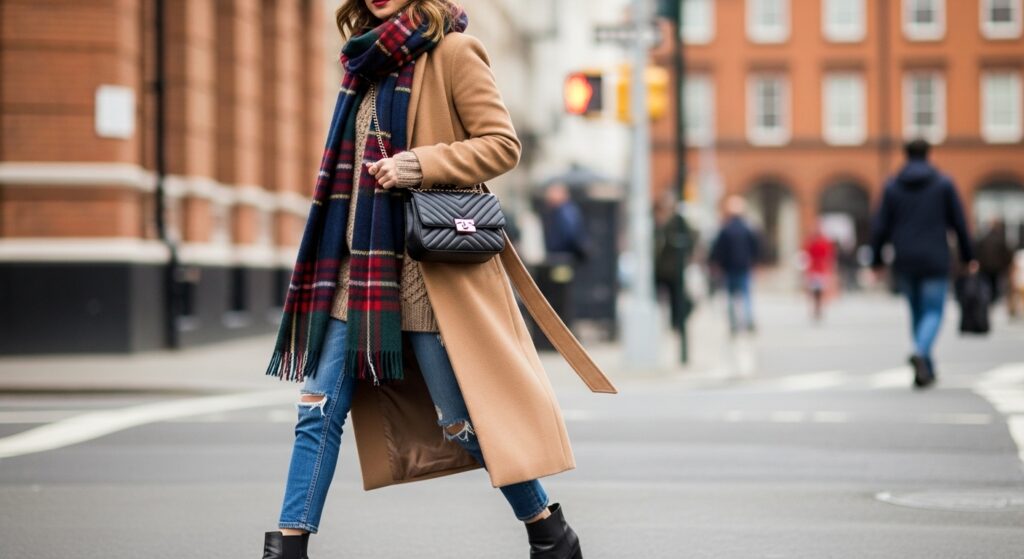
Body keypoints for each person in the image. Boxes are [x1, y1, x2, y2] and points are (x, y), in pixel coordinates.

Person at [261, 2, 613, 557]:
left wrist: (419, 164)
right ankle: (289, 543)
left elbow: (502, 145)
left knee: (461, 420)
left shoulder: (453, 52)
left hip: (426, 272)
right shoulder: (362, 66)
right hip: (359, 270)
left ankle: (547, 528)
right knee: (317, 411)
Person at [870, 139, 977, 389]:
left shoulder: (893, 186)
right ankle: (920, 351)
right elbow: (959, 223)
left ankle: (926, 366)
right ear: (929, 154)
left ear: (906, 155)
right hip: (935, 258)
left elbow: (880, 226)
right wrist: (968, 256)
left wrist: (876, 259)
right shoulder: (943, 184)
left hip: (904, 259)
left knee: (917, 311)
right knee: (934, 311)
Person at [540, 183, 589, 331]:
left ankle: (562, 329)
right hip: (563, 260)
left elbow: (570, 235)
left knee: (560, 296)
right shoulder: (565, 211)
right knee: (561, 295)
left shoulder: (564, 212)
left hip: (562, 261)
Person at [710, 195, 760, 334]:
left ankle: (733, 324)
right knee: (745, 295)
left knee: (731, 296)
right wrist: (754, 261)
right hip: (744, 266)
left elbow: (718, 249)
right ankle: (748, 320)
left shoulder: (725, 229)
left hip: (729, 267)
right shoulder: (748, 228)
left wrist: (717, 264)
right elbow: (756, 246)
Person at [653, 191, 697, 335]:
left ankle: (677, 323)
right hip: (662, 268)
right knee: (666, 296)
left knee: (676, 296)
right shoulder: (658, 220)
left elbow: (690, 238)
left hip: (672, 267)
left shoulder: (676, 221)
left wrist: (686, 255)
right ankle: (672, 323)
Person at [975, 218, 1014, 305]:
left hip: (986, 268)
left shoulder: (984, 238)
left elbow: (978, 252)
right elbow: (1007, 254)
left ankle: (989, 300)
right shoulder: (1001, 239)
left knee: (987, 286)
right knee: (995, 287)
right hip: (997, 268)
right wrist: (1006, 265)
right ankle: (993, 300)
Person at [802, 224, 836, 322]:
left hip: (820, 269)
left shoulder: (822, 242)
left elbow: (828, 255)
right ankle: (816, 308)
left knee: (819, 291)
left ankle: (818, 308)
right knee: (814, 291)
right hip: (814, 269)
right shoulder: (811, 242)